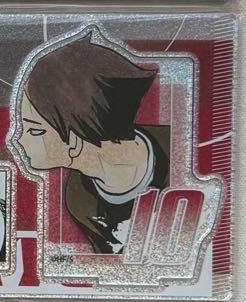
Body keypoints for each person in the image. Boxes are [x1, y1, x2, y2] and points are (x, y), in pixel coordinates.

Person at [14, 34, 170, 254]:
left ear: (75, 140)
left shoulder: (174, 151)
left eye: (34, 130)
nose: (17, 140)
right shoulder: (79, 198)